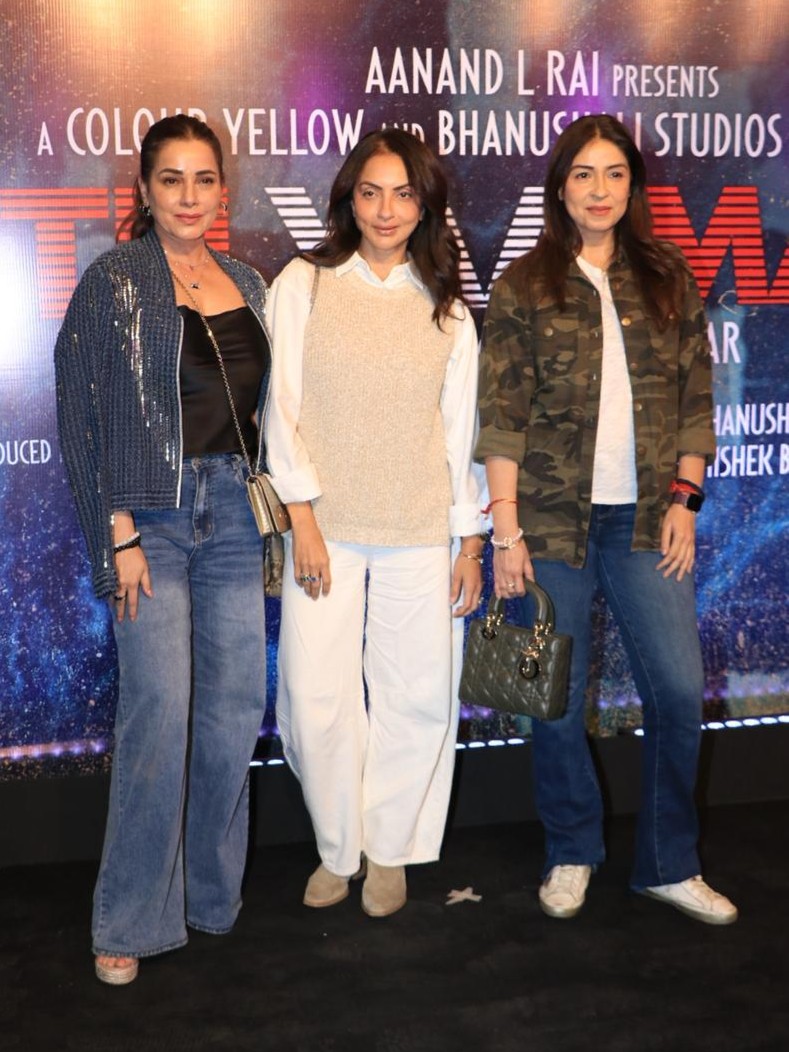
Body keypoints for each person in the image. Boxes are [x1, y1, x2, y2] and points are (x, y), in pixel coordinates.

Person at [476, 115, 738, 926]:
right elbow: (500, 414)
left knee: (676, 690)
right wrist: (505, 531)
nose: (599, 189)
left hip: (644, 522)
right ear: (560, 187)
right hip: (547, 525)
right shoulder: (524, 283)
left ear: (632, 185)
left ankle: (667, 863)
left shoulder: (666, 276)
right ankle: (570, 849)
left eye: (613, 173)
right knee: (547, 700)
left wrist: (684, 502)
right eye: (583, 174)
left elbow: (699, 400)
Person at [54, 115, 271, 984]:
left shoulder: (250, 282)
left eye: (204, 179)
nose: (189, 195)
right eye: (170, 179)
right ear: (144, 189)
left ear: (224, 189)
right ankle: (133, 916)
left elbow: (274, 416)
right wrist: (120, 533)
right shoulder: (114, 282)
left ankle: (209, 897)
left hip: (234, 519)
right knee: (159, 712)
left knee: (230, 717)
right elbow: (80, 417)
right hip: (153, 520)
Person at [265, 128, 483, 918]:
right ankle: (338, 845)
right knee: (313, 692)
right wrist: (304, 519)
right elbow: (279, 413)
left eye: (402, 194)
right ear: (347, 198)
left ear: (424, 205)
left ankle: (388, 849)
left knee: (415, 693)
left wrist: (469, 541)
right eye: (369, 192)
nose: (385, 210)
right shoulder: (304, 284)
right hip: (323, 527)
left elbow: (459, 436)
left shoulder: (447, 307)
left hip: (419, 531)